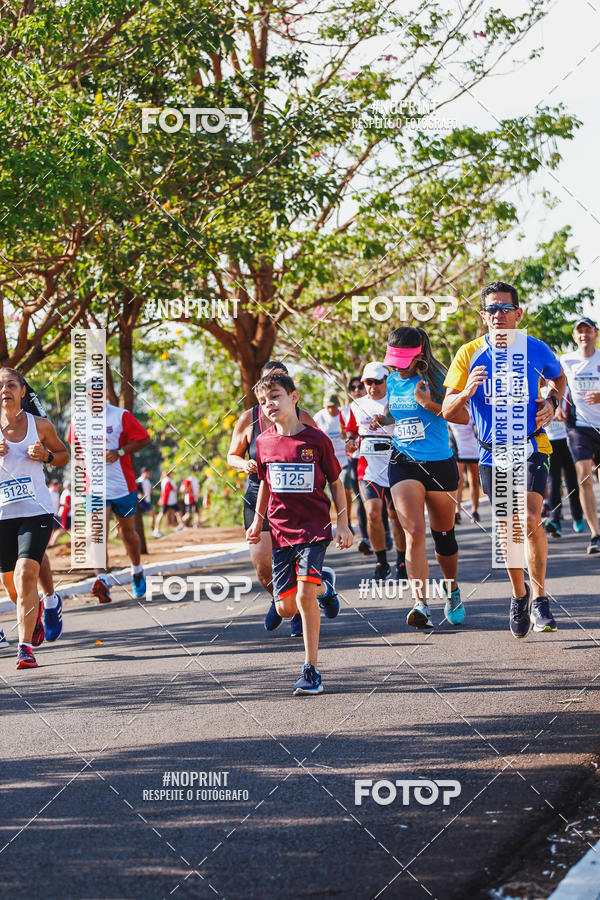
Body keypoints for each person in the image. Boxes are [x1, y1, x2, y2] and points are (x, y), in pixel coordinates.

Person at [443, 280, 566, 638]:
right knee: (510, 529)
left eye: (504, 308)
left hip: (531, 445)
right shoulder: (468, 354)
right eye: (491, 309)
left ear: (518, 313)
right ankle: (519, 595)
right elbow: (449, 410)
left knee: (529, 517)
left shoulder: (535, 348)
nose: (498, 315)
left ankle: (541, 598)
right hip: (491, 453)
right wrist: (467, 390)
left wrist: (552, 402)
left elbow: (558, 377)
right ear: (483, 317)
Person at [246, 370, 353, 695]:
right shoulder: (263, 443)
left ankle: (311, 670)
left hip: (314, 528)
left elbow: (336, 482)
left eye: (275, 396)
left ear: (293, 397)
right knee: (285, 608)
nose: (269, 405)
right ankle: (326, 587)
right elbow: (265, 482)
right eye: (263, 401)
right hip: (280, 531)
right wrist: (257, 520)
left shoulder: (316, 439)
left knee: (304, 597)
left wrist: (343, 523)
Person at [372, 328, 465, 629]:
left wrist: (429, 404)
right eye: (393, 359)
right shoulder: (392, 379)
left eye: (402, 360)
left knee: (444, 536)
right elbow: (392, 414)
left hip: (439, 463)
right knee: (413, 530)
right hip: (404, 462)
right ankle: (420, 604)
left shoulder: (438, 378)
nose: (396, 366)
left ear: (420, 354)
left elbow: (462, 418)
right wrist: (382, 420)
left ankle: (451, 589)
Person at [227, 360, 318, 637]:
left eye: (277, 386)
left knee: (296, 560)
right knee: (263, 565)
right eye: (265, 387)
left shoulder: (304, 418)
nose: (271, 394)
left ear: (289, 390)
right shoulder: (249, 418)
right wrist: (243, 465)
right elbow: (232, 455)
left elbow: (320, 455)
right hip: (258, 493)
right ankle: (279, 595)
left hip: (295, 499)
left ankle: (301, 609)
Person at [0, 368, 69, 668]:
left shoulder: (40, 425)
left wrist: (47, 456)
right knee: (10, 584)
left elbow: (63, 454)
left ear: (23, 391)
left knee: (25, 573)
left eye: (11, 385)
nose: (5, 390)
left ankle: (25, 647)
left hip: (36, 510)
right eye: (0, 386)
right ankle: (37, 612)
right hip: (3, 513)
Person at [69, 396, 152, 603]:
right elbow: (75, 447)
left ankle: (137, 570)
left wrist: (120, 451)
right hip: (94, 488)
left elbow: (144, 439)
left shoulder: (119, 415)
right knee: (98, 533)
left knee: (128, 533)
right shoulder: (78, 419)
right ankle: (102, 580)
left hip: (122, 485)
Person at [343, 362, 407, 581]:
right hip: (368, 469)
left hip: (396, 466)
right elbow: (351, 431)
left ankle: (401, 561)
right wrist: (351, 442)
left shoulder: (397, 401)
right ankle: (381, 561)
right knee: (372, 514)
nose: (371, 386)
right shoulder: (356, 405)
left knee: (396, 517)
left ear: (386, 381)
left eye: (376, 382)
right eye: (367, 382)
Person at [560, 317, 600, 553]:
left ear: (595, 334)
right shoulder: (566, 360)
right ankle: (595, 534)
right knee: (584, 476)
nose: (584, 334)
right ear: (575, 337)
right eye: (580, 332)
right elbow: (554, 383)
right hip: (579, 427)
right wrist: (555, 405)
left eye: (588, 330)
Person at [541, 385, 584, 537]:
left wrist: (561, 409)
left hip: (568, 440)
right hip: (550, 442)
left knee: (573, 481)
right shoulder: (539, 391)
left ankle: (577, 515)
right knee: (554, 481)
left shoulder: (566, 389)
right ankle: (554, 520)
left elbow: (577, 409)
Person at [339, 377, 370, 555]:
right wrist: (350, 439)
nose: (357, 390)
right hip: (355, 459)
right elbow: (346, 434)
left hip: (375, 458)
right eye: (353, 387)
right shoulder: (347, 410)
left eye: (360, 386)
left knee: (378, 500)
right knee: (361, 498)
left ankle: (386, 534)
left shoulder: (379, 404)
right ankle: (365, 537)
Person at [314, 392, 353, 521]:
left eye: (333, 406)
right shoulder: (319, 417)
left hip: (345, 458)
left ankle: (346, 519)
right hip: (328, 459)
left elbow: (353, 431)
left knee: (345, 487)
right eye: (328, 407)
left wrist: (347, 435)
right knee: (333, 492)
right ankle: (340, 519)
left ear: (338, 405)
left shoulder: (345, 414)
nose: (331, 409)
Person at [448, 415, 480, 524]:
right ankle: (457, 511)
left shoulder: (472, 406)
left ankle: (475, 511)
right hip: (458, 447)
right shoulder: (452, 405)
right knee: (458, 481)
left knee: (474, 480)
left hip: (473, 447)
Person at [154, 470, 185, 536]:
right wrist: (181, 492)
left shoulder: (169, 480)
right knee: (162, 514)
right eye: (172, 473)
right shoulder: (167, 480)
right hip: (167, 501)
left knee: (179, 513)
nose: (173, 474)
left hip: (172, 501)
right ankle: (156, 530)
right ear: (169, 474)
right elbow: (171, 489)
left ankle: (181, 526)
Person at [137, 467, 156, 531]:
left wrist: (152, 489)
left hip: (147, 500)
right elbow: (137, 491)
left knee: (140, 517)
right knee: (152, 513)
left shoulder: (147, 481)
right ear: (143, 473)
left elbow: (148, 490)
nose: (149, 474)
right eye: (148, 473)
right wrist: (141, 495)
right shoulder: (139, 481)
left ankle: (151, 529)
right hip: (141, 501)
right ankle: (152, 530)